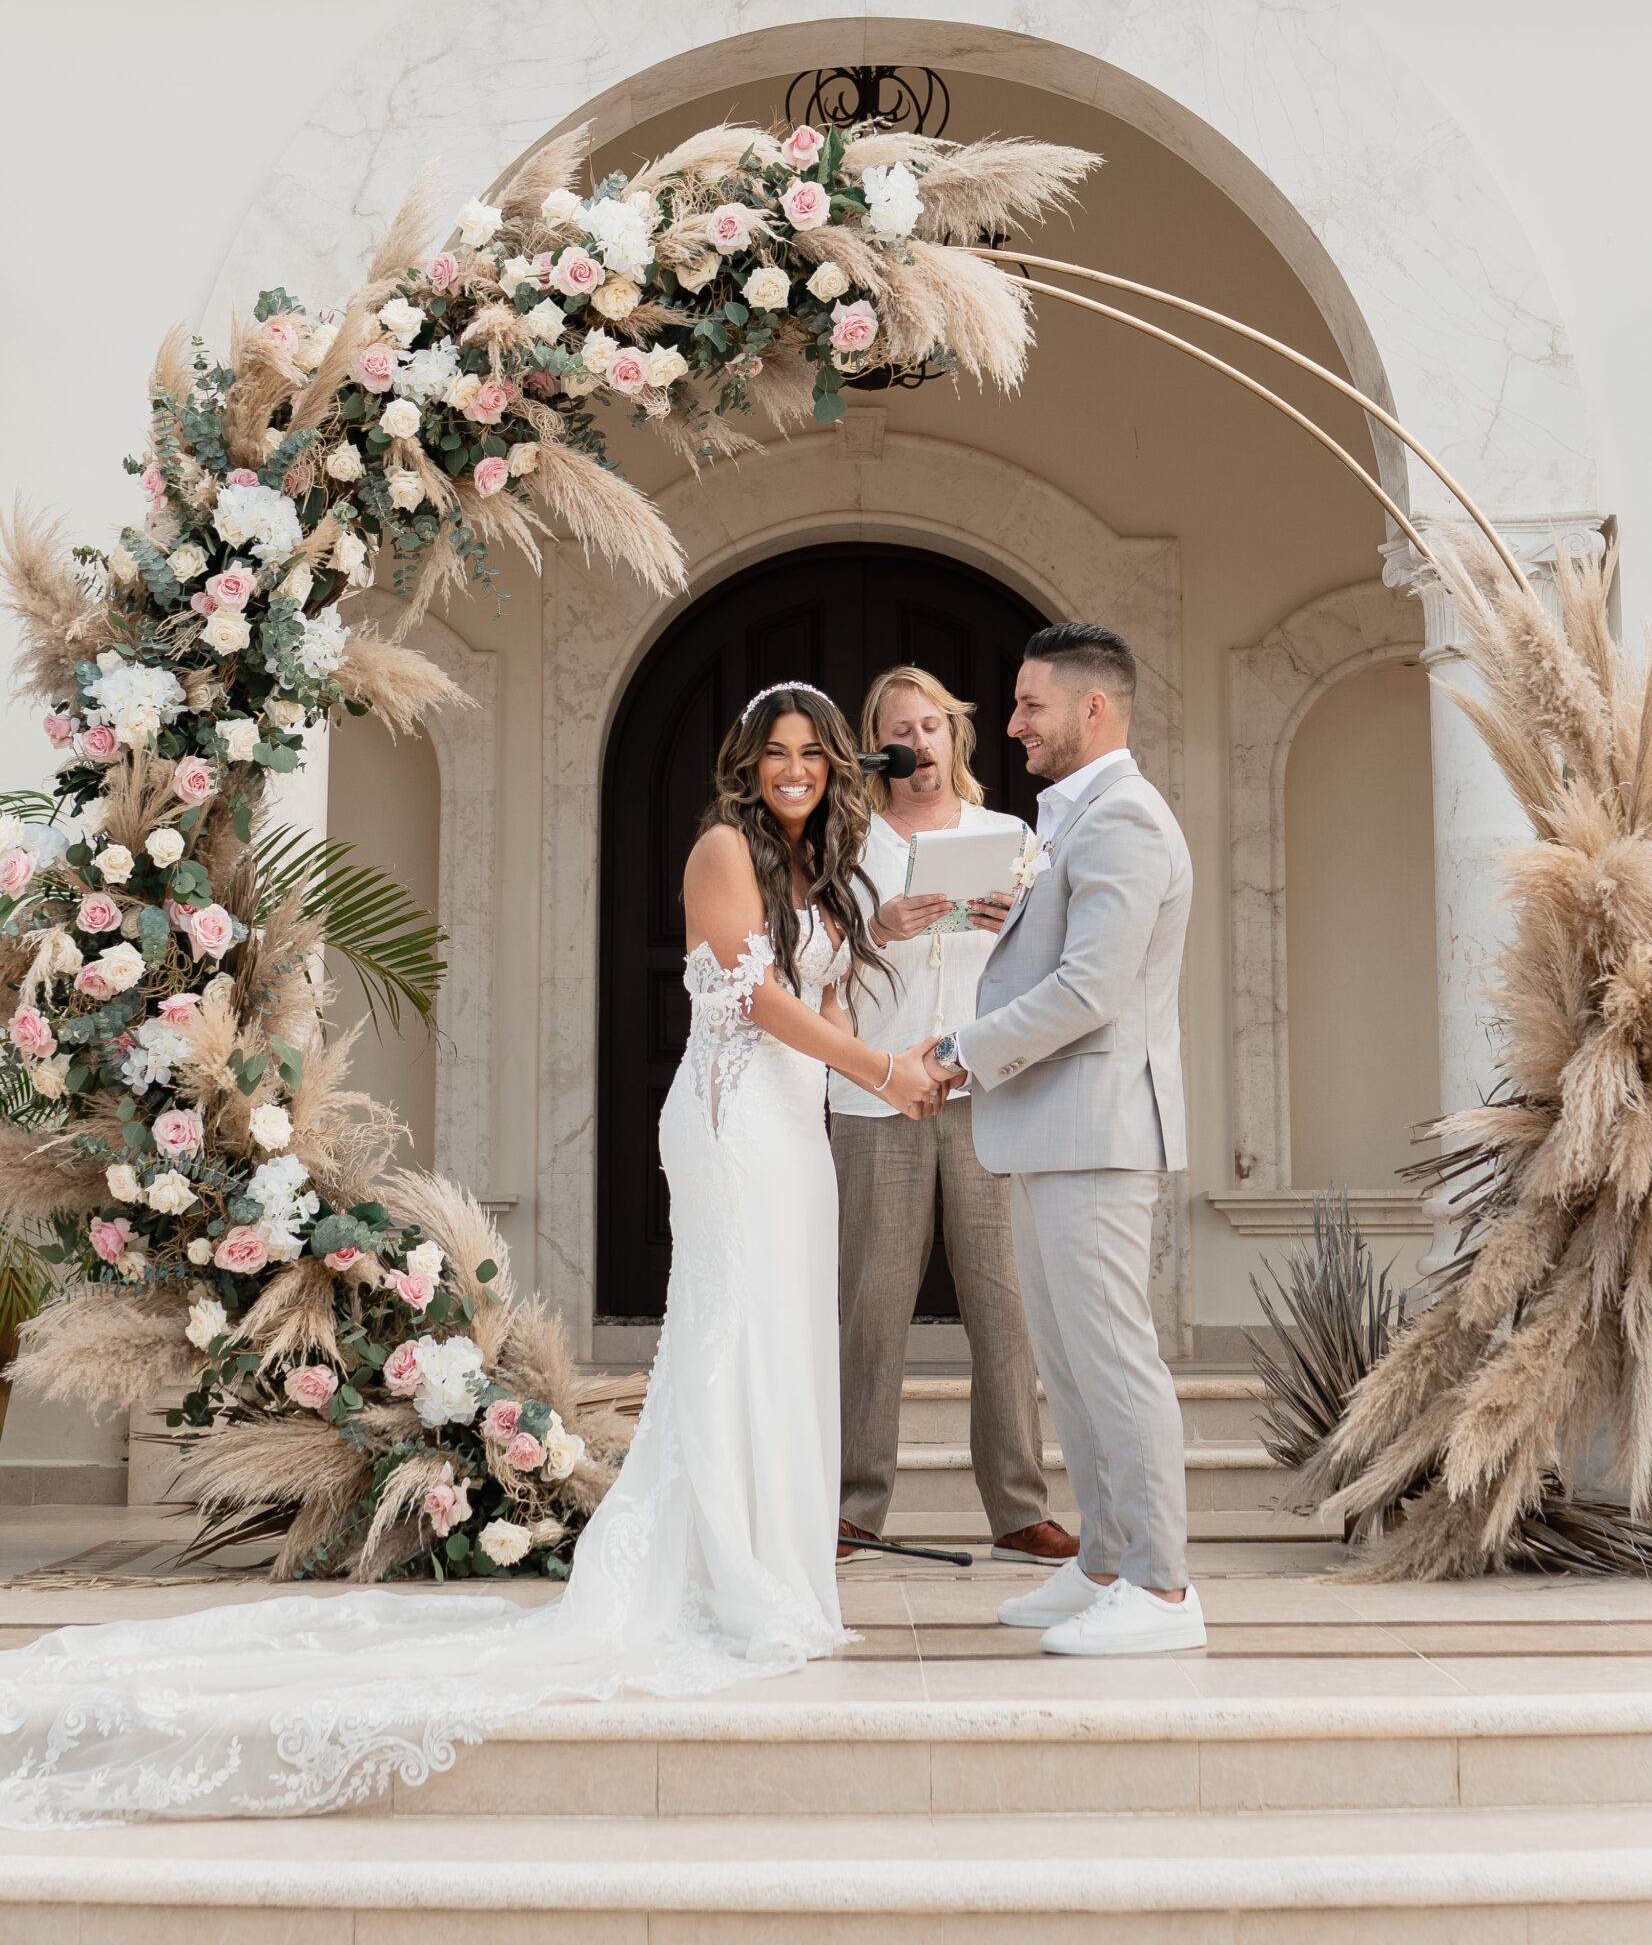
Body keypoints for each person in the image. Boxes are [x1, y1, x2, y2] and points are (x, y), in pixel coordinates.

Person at [0, 682, 941, 1825]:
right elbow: (757, 1006)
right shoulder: (720, 852)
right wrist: (884, 1069)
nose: (796, 769)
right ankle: (729, 1573)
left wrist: (875, 932)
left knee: (786, 1334)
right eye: (776, 753)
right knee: (735, 1332)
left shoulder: (812, 870)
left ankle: (773, 1563)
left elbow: (809, 982)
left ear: (839, 767)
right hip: (738, 1124)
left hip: (799, 1129)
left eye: (814, 754)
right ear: (745, 763)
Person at [914, 623, 1206, 1657]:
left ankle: (1164, 1590)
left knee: (1114, 1360)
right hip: (1046, 1127)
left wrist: (955, 1048)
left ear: (1094, 708)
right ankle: (1104, 1564)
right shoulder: (1072, 820)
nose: (1012, 720)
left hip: (1096, 1126)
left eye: (1032, 703)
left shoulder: (1124, 819)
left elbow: (1091, 990)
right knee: (1073, 1370)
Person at [833, 664, 1075, 1566]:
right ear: (880, 745)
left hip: (989, 1096)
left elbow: (1060, 961)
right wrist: (879, 928)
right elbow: (812, 966)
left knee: (1003, 1311)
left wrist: (1019, 918)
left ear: (955, 738)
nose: (920, 741)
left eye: (933, 726)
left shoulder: (1009, 834)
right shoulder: (844, 842)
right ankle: (854, 1506)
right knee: (872, 1308)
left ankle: (1018, 1507)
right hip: (875, 1094)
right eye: (902, 728)